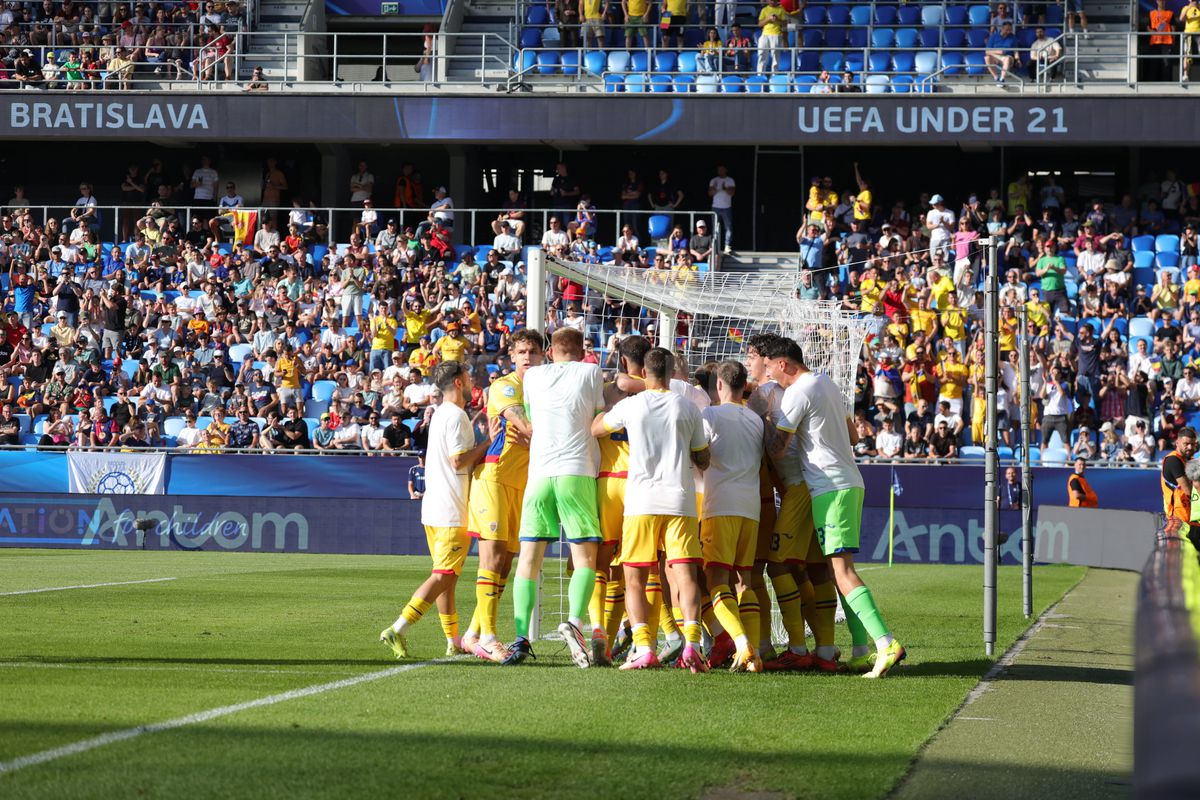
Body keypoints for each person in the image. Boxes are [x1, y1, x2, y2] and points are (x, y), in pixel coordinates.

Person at [762, 336, 906, 677]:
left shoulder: (797, 392)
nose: (769, 376)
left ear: (783, 364)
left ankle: (886, 643)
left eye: (769, 368)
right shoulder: (826, 382)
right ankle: (859, 651)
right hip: (849, 482)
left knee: (842, 571)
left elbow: (778, 449)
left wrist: (764, 421)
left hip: (829, 488)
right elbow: (854, 437)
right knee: (837, 571)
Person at [591, 347, 711, 672]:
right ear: (671, 374)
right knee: (685, 576)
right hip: (681, 502)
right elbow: (703, 458)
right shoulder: (687, 407)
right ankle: (692, 645)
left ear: (643, 374)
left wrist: (603, 407)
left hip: (641, 502)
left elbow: (597, 429)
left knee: (634, 577)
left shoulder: (632, 405)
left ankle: (644, 646)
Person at [380, 361, 498, 659]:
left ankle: (453, 640)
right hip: (451, 510)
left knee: (448, 576)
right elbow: (458, 461)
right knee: (444, 575)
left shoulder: (442, 415)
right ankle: (398, 628)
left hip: (434, 508)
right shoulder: (456, 416)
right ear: (458, 382)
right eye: (469, 376)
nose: (472, 382)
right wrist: (489, 442)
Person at [503, 327, 605, 668]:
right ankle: (575, 622)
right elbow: (598, 417)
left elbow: (529, 419)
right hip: (576, 472)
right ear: (582, 349)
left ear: (550, 350)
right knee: (586, 559)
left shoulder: (533, 377)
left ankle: (520, 637)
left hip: (539, 475)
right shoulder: (591, 371)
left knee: (528, 561)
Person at [459, 329, 545, 663]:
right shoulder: (505, 385)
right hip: (494, 477)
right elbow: (522, 424)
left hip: (521, 484)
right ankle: (490, 637)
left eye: (533, 352)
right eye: (522, 351)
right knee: (492, 558)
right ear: (512, 356)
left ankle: (473, 633)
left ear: (543, 356)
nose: (527, 357)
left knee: (507, 565)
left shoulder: (543, 390)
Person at [698, 360, 765, 672]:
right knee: (743, 581)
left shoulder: (709, 415)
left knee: (715, 581)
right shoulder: (756, 420)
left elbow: (698, 454)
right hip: (751, 509)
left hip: (720, 506)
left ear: (720, 385)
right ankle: (754, 655)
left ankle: (741, 643)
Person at [1161, 427, 1198, 524]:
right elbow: (1188, 491)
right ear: (1177, 443)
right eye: (1186, 444)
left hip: (1191, 518)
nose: (1190, 447)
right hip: (1177, 521)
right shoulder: (1173, 460)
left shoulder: (1190, 460)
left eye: (1193, 444)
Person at [708, 165, 735, 254]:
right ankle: (715, 246)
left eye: (722, 170)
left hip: (726, 207)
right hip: (715, 207)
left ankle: (727, 246)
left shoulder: (730, 180)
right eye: (719, 170)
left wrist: (724, 188)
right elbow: (710, 194)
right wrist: (715, 188)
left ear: (726, 170)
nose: (720, 171)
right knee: (715, 227)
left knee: (728, 227)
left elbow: (732, 193)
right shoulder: (714, 180)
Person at [757, 0, 785, 75]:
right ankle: (760, 74)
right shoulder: (764, 10)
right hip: (764, 35)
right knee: (761, 54)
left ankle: (774, 74)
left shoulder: (781, 9)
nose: (772, 1)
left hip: (776, 34)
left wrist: (777, 19)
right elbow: (760, 24)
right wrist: (768, 19)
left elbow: (785, 23)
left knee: (776, 56)